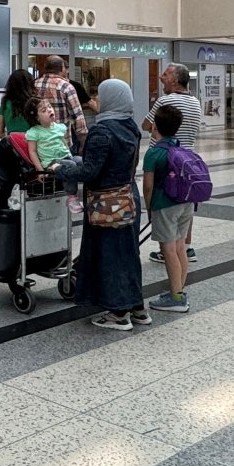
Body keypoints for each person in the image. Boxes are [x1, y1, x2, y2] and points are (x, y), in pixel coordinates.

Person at [50, 78, 145, 331]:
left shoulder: (102, 131)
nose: (97, 101)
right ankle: (136, 307)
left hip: (106, 203)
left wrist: (62, 170)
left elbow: (91, 172)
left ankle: (118, 313)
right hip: (127, 197)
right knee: (128, 254)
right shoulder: (130, 126)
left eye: (101, 96)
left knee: (110, 255)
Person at [143, 63, 203, 263]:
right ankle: (186, 247)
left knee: (166, 205)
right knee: (185, 203)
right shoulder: (195, 102)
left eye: (166, 74)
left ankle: (167, 249)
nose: (161, 77)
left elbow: (147, 125)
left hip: (165, 160)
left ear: (176, 80)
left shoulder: (165, 101)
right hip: (187, 162)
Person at [142, 103, 195, 314]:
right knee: (180, 247)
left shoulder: (154, 153)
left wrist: (149, 208)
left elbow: (148, 186)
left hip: (165, 205)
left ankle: (176, 298)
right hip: (186, 203)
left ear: (154, 127)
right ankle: (179, 291)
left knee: (168, 250)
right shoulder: (181, 148)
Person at [25, 98, 80, 214]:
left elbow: (63, 142)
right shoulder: (34, 132)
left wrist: (70, 154)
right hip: (50, 162)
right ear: (36, 118)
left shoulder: (59, 127)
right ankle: (72, 197)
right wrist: (40, 170)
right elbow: (33, 152)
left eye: (49, 107)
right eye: (44, 110)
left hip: (65, 157)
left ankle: (88, 193)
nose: (50, 110)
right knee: (71, 165)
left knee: (80, 161)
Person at [35, 56, 88, 152]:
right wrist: (83, 142)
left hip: (39, 141)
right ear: (62, 67)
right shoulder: (66, 86)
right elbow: (78, 116)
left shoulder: (34, 84)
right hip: (62, 142)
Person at [0, 68, 37, 140]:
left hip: (13, 145)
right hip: (31, 144)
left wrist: (13, 135)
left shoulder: (6, 102)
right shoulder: (34, 103)